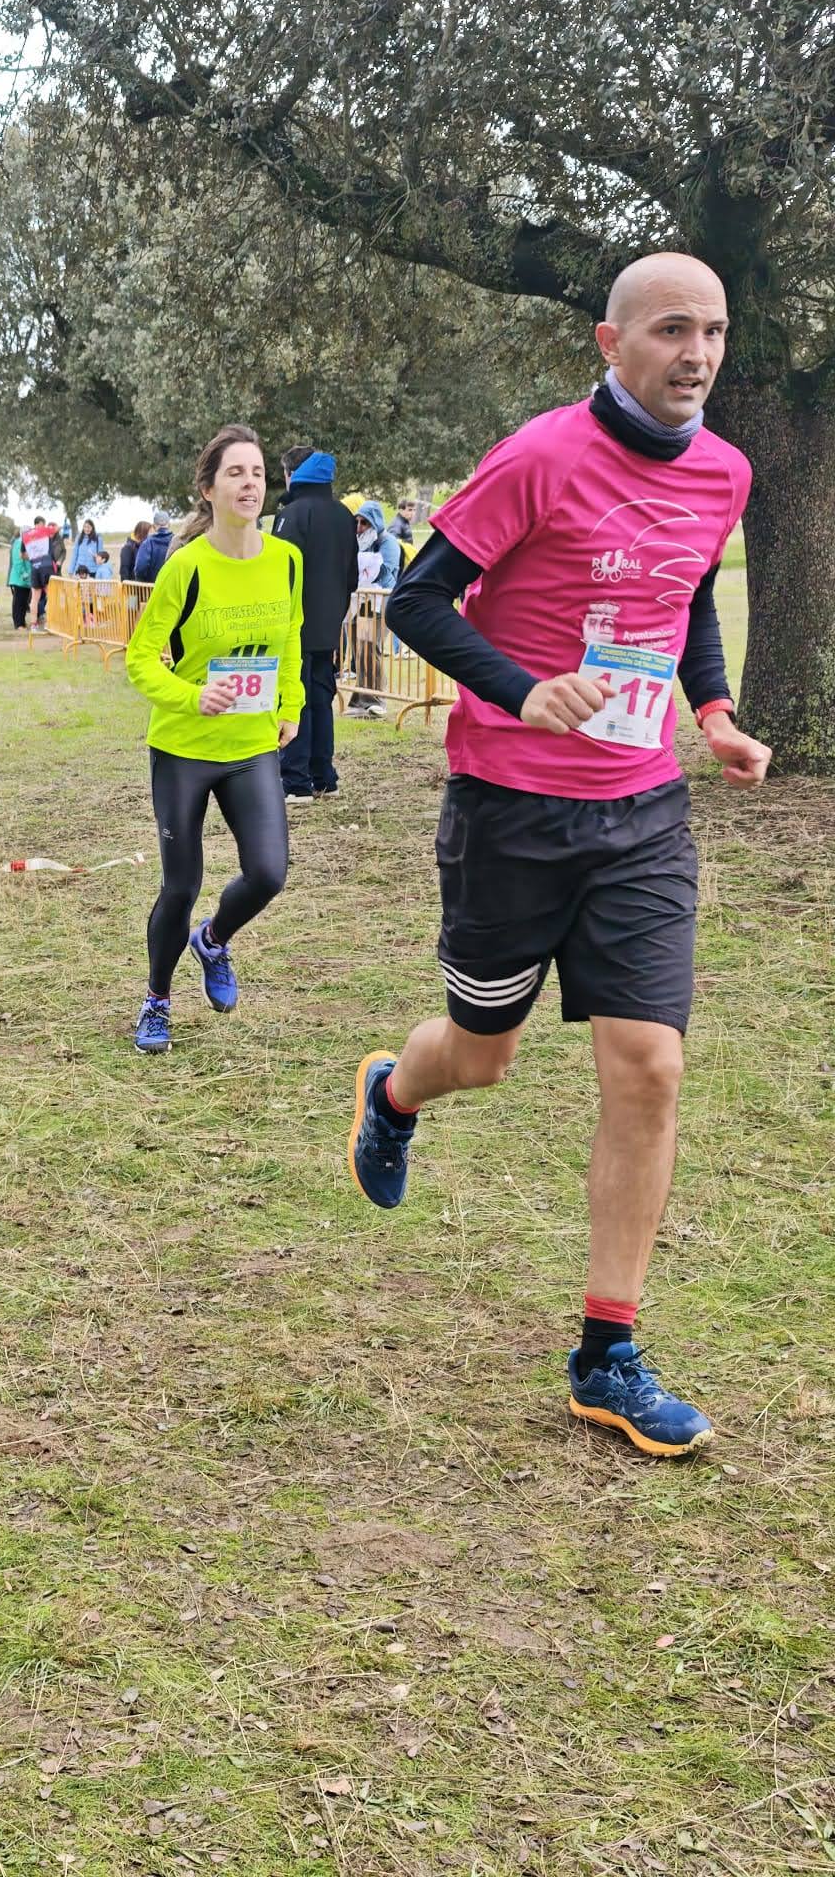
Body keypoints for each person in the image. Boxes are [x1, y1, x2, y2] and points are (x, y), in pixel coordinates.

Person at [348, 251, 771, 1459]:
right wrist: (522, 689)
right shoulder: (538, 456)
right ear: (611, 341)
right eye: (673, 330)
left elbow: (687, 597)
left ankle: (607, 1353)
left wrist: (712, 712)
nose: (698, 355)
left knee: (650, 1065)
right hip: (510, 811)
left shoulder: (726, 471)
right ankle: (393, 1093)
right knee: (481, 1054)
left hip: (640, 814)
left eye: (715, 332)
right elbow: (418, 600)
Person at [124, 425, 302, 1054]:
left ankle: (214, 940)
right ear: (208, 488)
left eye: (257, 472)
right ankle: (157, 999)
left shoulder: (286, 560)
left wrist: (291, 705)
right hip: (184, 749)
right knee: (180, 886)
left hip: (251, 745)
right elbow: (140, 659)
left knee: (268, 873)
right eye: (235, 473)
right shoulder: (186, 567)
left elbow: (289, 637)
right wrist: (191, 695)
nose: (250, 483)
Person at [270, 446, 358, 803]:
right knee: (321, 698)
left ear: (291, 474)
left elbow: (278, 572)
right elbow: (351, 575)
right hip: (330, 624)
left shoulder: (291, 514)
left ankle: (296, 781)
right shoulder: (343, 515)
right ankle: (324, 776)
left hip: (295, 625)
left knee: (296, 699)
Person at [347, 502, 402, 716]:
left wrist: (364, 564)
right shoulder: (359, 542)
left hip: (378, 603)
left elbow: (385, 570)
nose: (359, 527)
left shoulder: (388, 543)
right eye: (357, 522)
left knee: (369, 648)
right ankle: (360, 700)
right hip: (359, 601)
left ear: (375, 522)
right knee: (359, 651)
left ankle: (374, 700)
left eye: (364, 522)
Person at [21, 516, 56, 625]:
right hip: (46, 566)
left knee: (34, 598)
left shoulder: (25, 535)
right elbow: (56, 528)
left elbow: (22, 555)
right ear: (39, 524)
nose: (44, 526)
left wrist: (32, 557)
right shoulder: (45, 532)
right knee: (51, 596)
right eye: (43, 524)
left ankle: (34, 625)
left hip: (35, 567)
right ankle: (50, 622)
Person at [132, 508, 175, 582]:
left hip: (151, 587)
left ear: (154, 525)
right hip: (172, 586)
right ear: (169, 524)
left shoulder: (147, 543)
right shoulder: (176, 541)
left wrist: (142, 580)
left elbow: (140, 568)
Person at [6, 532, 34, 630]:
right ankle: (18, 624)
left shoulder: (27, 541)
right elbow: (17, 561)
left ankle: (22, 622)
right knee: (19, 602)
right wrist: (23, 573)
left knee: (23, 602)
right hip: (20, 578)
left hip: (26, 579)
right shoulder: (18, 543)